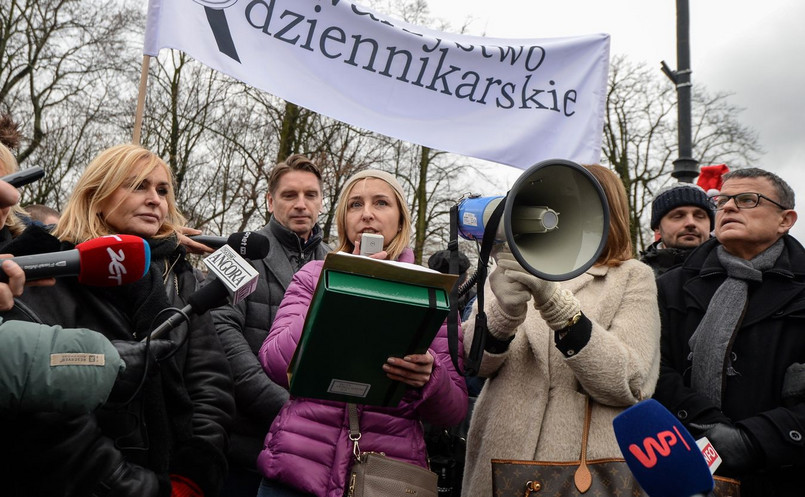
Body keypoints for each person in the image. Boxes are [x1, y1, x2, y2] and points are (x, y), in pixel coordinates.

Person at [0, 143, 235, 497]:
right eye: (138, 185)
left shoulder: (178, 274)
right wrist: (139, 489)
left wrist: (194, 473)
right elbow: (53, 416)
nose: (155, 199)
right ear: (97, 194)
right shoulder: (43, 271)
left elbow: (209, 381)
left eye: (163, 189)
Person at [255, 169, 468, 497]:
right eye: (355, 204)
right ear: (343, 219)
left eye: (380, 202)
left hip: (385, 477)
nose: (366, 213)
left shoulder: (430, 291)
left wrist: (430, 377)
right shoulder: (313, 275)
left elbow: (453, 410)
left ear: (400, 219)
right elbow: (273, 361)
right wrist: (339, 282)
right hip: (296, 471)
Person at [461, 164, 661, 497]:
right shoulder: (511, 261)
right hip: (500, 462)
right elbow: (475, 362)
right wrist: (504, 312)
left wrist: (558, 307)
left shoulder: (631, 277)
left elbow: (630, 382)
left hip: (583, 472)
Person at [653, 168, 805, 496]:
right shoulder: (670, 286)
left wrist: (752, 440)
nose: (728, 208)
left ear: (785, 220)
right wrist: (707, 426)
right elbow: (653, 367)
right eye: (722, 201)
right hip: (688, 467)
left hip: (784, 475)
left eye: (747, 199)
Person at [212, 153, 331, 496]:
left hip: (310, 454)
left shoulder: (338, 263)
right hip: (241, 444)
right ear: (269, 200)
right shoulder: (235, 251)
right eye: (289, 195)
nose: (301, 204)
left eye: (310, 195)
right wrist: (281, 405)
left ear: (322, 201)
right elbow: (221, 335)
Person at [640, 183, 714, 276]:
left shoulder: (731, 270)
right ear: (657, 227)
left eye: (699, 216)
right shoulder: (636, 278)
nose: (691, 223)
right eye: (678, 216)